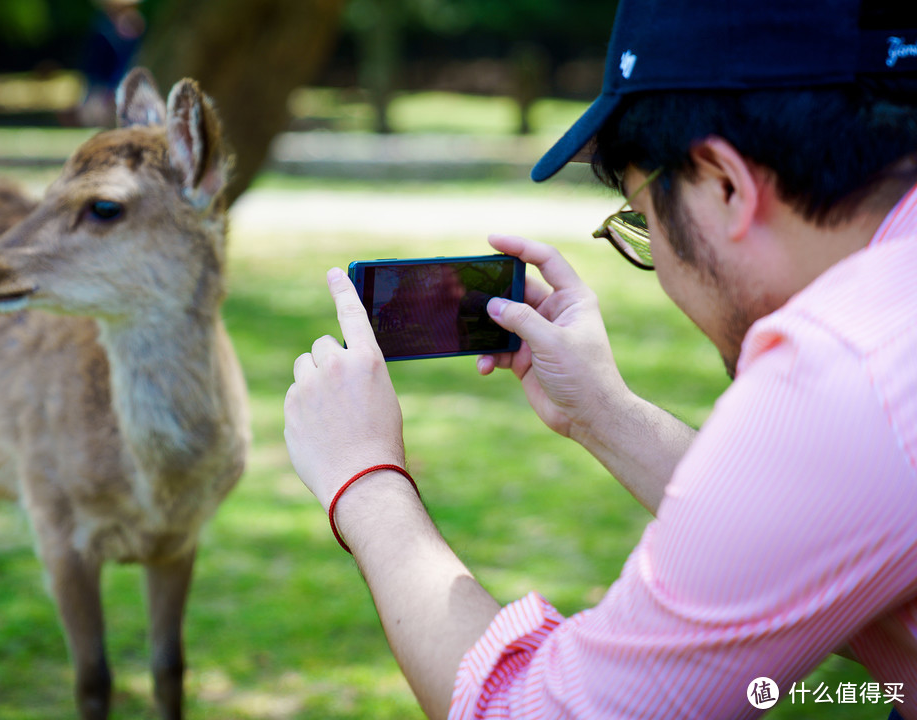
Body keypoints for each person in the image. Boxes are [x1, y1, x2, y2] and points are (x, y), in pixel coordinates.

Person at [284, 0, 917, 717]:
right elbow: (812, 534)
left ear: (726, 184)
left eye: (643, 226)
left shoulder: (845, 369)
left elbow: (540, 710)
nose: (662, 266)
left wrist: (365, 482)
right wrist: (602, 412)